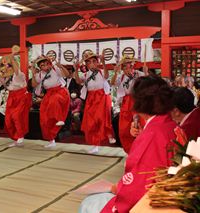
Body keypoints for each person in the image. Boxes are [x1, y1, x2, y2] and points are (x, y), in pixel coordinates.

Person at [79, 76, 177, 213]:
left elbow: (138, 185)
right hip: (168, 191)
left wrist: (117, 188)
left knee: (89, 204)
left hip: (151, 200)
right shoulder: (168, 125)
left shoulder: (152, 135)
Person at [74, 51, 114, 153]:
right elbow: (78, 81)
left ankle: (106, 136)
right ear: (86, 64)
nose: (92, 64)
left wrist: (104, 62)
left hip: (101, 97)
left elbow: (106, 76)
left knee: (101, 118)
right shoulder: (86, 74)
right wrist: (75, 70)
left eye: (94, 61)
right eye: (89, 62)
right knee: (91, 121)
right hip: (91, 98)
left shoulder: (101, 71)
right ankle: (95, 144)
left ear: (97, 62)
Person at [110, 56, 148, 153]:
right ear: (122, 68)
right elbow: (112, 83)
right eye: (125, 67)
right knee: (124, 128)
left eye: (130, 66)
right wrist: (115, 72)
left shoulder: (139, 74)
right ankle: (130, 151)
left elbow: (148, 83)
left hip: (138, 101)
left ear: (133, 66)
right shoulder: (121, 76)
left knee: (139, 125)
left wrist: (146, 72)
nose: (128, 69)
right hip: (126, 102)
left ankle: (141, 150)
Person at [0, 54, 32, 147]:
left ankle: (20, 136)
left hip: (22, 97)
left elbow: (16, 69)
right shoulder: (5, 78)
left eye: (8, 66)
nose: (6, 67)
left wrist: (11, 59)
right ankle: (16, 137)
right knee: (8, 119)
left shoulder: (19, 74)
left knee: (16, 116)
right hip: (11, 97)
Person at [31, 55, 70, 148]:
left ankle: (59, 118)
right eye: (42, 65)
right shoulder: (40, 74)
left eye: (46, 64)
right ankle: (51, 139)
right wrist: (33, 74)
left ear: (49, 63)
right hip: (48, 94)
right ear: (40, 67)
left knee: (54, 100)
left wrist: (59, 65)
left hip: (60, 92)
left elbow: (66, 74)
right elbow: (33, 84)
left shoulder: (55, 69)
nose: (45, 66)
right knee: (44, 117)